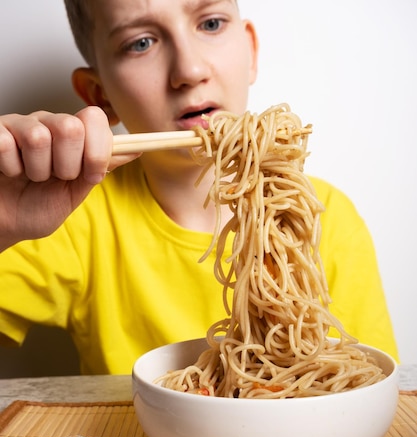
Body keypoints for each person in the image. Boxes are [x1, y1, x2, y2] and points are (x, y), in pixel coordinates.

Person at [0, 0, 399, 375]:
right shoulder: (70, 216)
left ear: (251, 52)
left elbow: (374, 379)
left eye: (210, 23)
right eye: (141, 43)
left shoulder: (320, 215)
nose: (189, 70)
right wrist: (5, 224)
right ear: (99, 94)